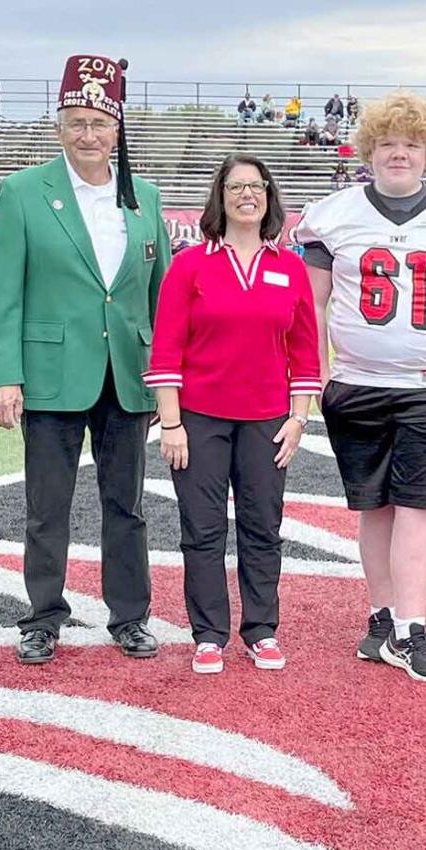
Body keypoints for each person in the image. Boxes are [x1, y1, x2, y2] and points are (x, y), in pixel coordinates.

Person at [294, 91, 426, 683]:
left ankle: (412, 626)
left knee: (418, 504)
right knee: (373, 504)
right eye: (387, 144)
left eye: (411, 145)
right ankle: (381, 616)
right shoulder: (333, 215)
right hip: (356, 382)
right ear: (369, 151)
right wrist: (319, 372)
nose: (399, 154)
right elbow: (311, 301)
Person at [0, 54, 172, 666]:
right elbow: (3, 293)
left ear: (118, 128)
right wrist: (5, 376)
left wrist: (166, 382)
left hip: (127, 376)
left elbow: (160, 298)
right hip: (50, 376)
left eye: (99, 122)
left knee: (128, 507)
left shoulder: (144, 196)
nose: (88, 135)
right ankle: (42, 616)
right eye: (76, 123)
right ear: (58, 127)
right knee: (48, 507)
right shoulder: (22, 192)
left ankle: (130, 615)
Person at [146, 156, 320, 675]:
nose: (248, 194)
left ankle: (261, 629)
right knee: (201, 529)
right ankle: (208, 634)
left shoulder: (289, 266)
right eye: (236, 186)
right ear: (219, 197)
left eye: (257, 185)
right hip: (199, 418)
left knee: (262, 526)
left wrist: (298, 418)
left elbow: (306, 350)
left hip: (268, 421)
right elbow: (166, 348)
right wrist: (172, 423)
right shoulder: (191, 264)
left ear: (269, 196)